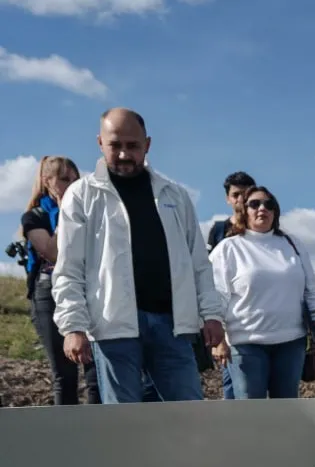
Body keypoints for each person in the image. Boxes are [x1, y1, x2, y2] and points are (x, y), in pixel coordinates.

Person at [52, 107, 226, 404]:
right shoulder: (82, 195)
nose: (123, 154)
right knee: (123, 424)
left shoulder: (175, 195)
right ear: (99, 143)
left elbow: (199, 262)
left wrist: (211, 313)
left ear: (147, 144)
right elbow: (69, 268)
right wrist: (73, 326)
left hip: (173, 325)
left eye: (132, 146)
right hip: (112, 328)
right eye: (115, 145)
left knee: (190, 416)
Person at [210, 185, 315, 399]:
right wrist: (218, 340)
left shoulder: (292, 244)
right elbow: (217, 296)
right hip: (246, 343)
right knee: (250, 414)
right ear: (244, 210)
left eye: (268, 204)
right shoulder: (228, 248)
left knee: (286, 410)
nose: (262, 208)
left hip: (291, 342)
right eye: (254, 204)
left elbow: (311, 287)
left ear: (275, 211)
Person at [18, 155, 101, 405]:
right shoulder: (34, 216)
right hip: (48, 293)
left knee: (96, 372)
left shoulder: (88, 212)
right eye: (65, 179)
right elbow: (52, 251)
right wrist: (66, 210)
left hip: (87, 291)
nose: (72, 184)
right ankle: (67, 438)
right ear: (47, 181)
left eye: (76, 179)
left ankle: (101, 433)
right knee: (64, 375)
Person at [206, 170, 257, 400]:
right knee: (231, 387)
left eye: (246, 195)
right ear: (228, 198)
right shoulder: (218, 230)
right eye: (236, 195)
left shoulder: (262, 229)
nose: (241, 200)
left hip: (257, 323)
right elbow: (212, 280)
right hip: (229, 320)